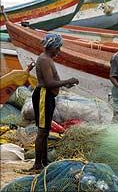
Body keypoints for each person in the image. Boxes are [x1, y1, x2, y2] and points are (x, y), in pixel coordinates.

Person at [29, 33, 79, 172]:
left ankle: (44, 163)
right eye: (58, 48)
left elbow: (53, 82)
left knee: (45, 131)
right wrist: (67, 81)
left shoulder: (48, 59)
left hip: (47, 96)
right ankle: (38, 164)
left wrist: (65, 84)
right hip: (43, 96)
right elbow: (49, 83)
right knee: (42, 131)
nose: (59, 51)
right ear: (52, 47)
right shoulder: (44, 60)